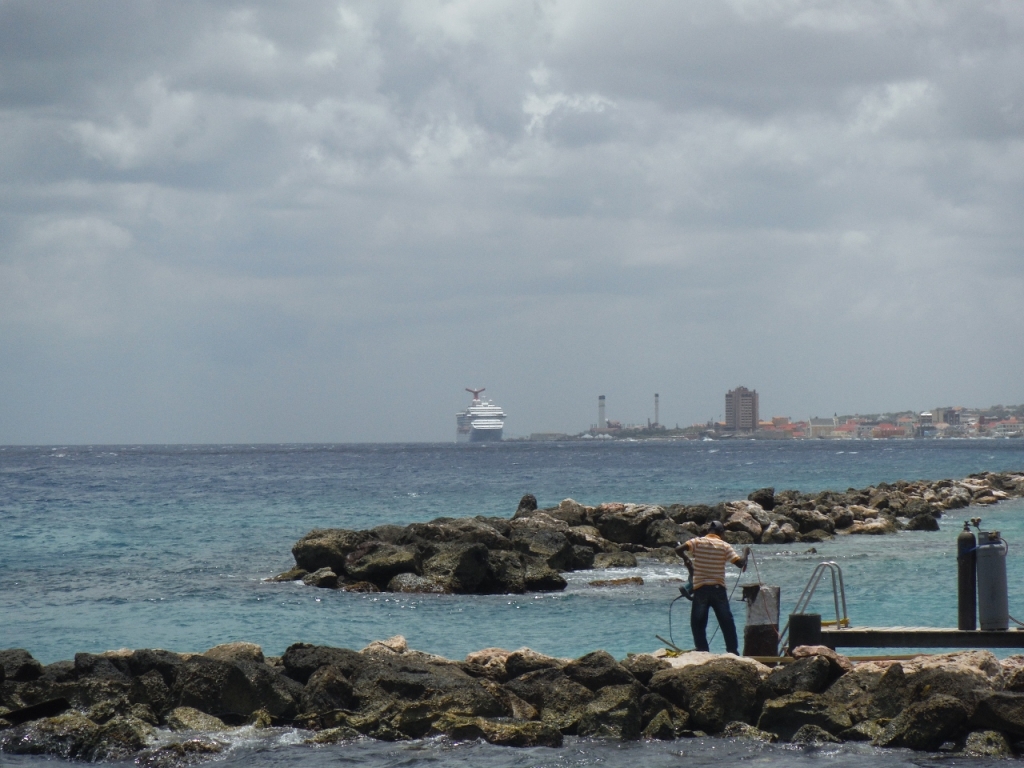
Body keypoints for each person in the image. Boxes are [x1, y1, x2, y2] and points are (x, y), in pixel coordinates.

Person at [676, 520, 749, 655]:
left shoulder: (697, 542)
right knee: (726, 622)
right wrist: (745, 551)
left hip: (700, 588)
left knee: (698, 622)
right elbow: (740, 563)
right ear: (721, 533)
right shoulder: (724, 546)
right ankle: (732, 651)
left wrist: (687, 559)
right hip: (718, 589)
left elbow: (678, 550)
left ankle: (703, 650)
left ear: (708, 532)